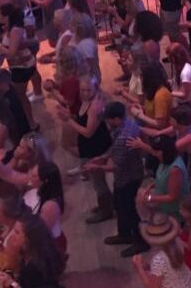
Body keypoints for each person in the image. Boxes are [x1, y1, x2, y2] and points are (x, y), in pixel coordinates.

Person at [85, 102, 148, 258]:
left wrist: (96, 167)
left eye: (109, 120)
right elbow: (114, 151)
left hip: (127, 178)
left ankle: (141, 241)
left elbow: (116, 167)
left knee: (129, 210)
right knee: (120, 205)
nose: (107, 123)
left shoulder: (122, 138)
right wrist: (103, 157)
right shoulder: (130, 124)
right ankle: (124, 233)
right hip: (133, 172)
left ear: (117, 119)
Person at [57, 77, 112, 224]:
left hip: (97, 146)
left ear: (95, 89)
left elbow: (88, 132)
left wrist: (69, 120)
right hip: (91, 144)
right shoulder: (86, 101)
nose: (85, 93)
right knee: (96, 180)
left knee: (98, 181)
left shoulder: (94, 107)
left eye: (89, 90)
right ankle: (105, 204)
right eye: (82, 90)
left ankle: (106, 210)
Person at [131, 212, 191, 288]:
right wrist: (147, 266)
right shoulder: (177, 241)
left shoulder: (159, 260)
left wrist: (139, 268)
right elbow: (167, 268)